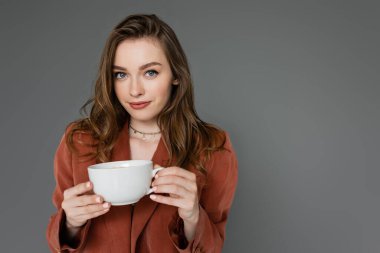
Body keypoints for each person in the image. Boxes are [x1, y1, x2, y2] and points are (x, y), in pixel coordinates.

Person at [46, 14, 238, 253]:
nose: (135, 90)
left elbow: (213, 245)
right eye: (121, 75)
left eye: (150, 73)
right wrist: (71, 223)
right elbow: (60, 242)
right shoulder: (79, 140)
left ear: (176, 75)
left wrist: (192, 216)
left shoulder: (212, 147)